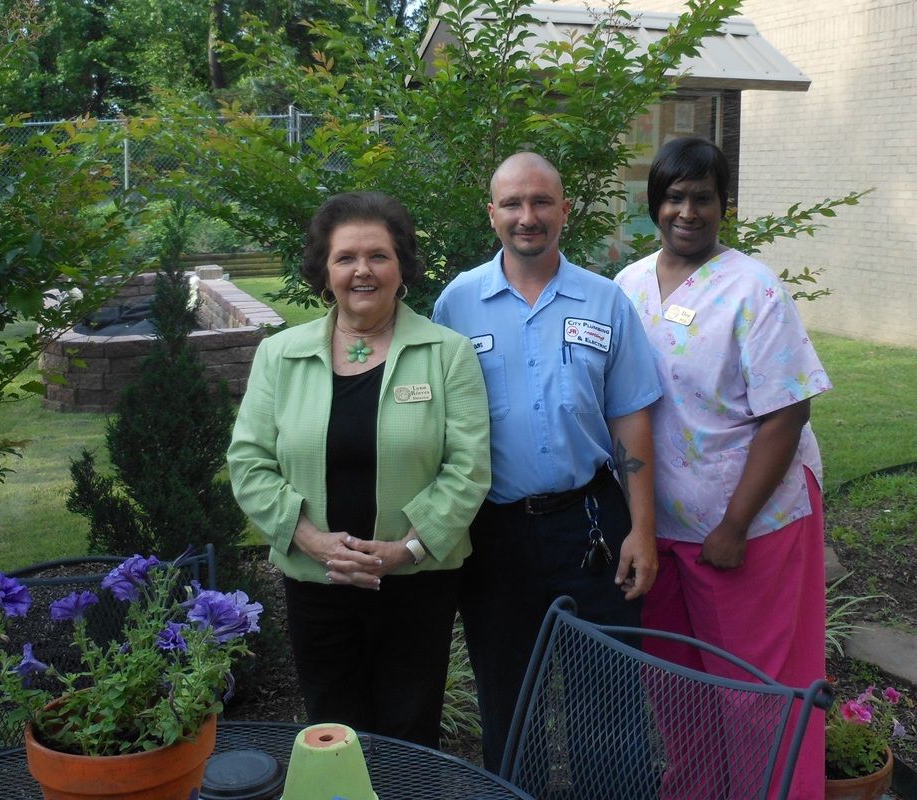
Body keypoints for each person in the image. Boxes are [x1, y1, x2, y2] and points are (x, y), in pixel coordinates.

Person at [227, 191, 491, 749]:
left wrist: (408, 550)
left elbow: (468, 467)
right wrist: (313, 542)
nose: (362, 271)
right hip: (317, 580)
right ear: (325, 271)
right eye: (346, 257)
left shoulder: (448, 353)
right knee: (332, 731)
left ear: (403, 268)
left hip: (417, 584)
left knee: (409, 733)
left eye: (379, 256)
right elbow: (249, 462)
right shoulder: (281, 355)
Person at [614, 136, 831, 798]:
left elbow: (785, 414)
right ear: (654, 204)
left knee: (752, 694)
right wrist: (637, 525)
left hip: (747, 527)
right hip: (660, 533)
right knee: (677, 688)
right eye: (674, 197)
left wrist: (734, 526)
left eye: (701, 198)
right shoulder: (625, 285)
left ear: (722, 206)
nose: (687, 211)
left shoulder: (752, 288)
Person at [432, 152, 662, 771]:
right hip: (493, 533)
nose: (526, 217)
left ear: (564, 211)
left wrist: (642, 530)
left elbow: (631, 417)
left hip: (590, 524)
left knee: (608, 702)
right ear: (492, 214)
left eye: (540, 203)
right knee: (509, 701)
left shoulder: (605, 300)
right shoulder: (457, 305)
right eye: (512, 203)